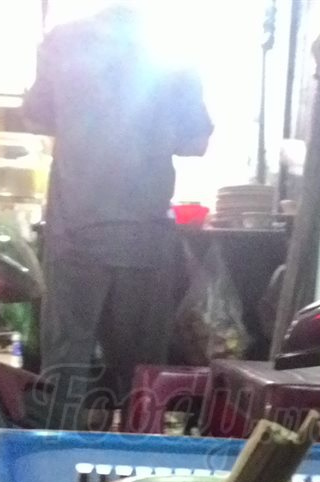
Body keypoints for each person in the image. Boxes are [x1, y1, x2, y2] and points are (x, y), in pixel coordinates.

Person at [23, 3, 213, 429]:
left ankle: (60, 462)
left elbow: (36, 116)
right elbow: (196, 142)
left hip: (76, 233)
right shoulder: (172, 54)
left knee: (65, 371)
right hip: (145, 237)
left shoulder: (63, 41)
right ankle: (135, 464)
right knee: (141, 381)